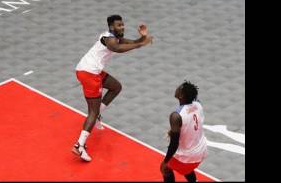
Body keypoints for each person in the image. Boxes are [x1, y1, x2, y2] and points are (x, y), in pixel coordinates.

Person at [72, 15, 153, 161]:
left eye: (122, 25)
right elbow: (118, 49)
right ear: (111, 27)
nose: (122, 27)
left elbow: (133, 43)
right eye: (118, 25)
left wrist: (143, 38)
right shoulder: (108, 39)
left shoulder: (115, 37)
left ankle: (97, 116)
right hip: (89, 73)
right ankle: (79, 145)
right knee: (92, 111)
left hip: (91, 71)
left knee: (116, 87)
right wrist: (142, 44)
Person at [160, 81, 208, 182]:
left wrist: (166, 161)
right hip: (201, 151)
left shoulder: (176, 116)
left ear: (181, 96)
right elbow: (194, 99)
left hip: (187, 157)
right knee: (187, 169)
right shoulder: (198, 105)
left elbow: (174, 144)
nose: (176, 87)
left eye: (179, 88)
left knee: (165, 169)